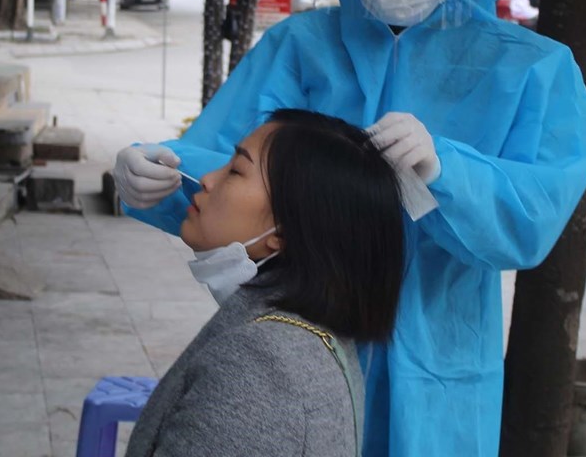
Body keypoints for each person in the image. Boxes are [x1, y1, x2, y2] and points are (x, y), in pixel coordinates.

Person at [114, 0, 586, 456]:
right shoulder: (300, 47)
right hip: (298, 343)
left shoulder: (530, 70)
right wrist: (162, 173)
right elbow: (232, 170)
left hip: (438, 367)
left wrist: (446, 171)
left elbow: (532, 215)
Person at [125, 109, 406, 457]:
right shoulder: (306, 336)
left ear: (283, 232)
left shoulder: (259, 364)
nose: (207, 179)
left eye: (236, 171)